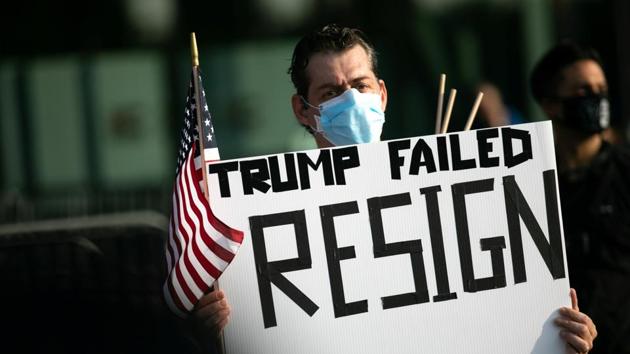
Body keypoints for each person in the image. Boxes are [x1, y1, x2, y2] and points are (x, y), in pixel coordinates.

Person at [192, 25, 598, 353]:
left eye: (360, 85)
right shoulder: (266, 214)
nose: (351, 100)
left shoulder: (446, 187)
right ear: (303, 109)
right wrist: (225, 330)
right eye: (331, 93)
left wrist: (557, 335)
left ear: (382, 94)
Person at [531, 41, 629, 354]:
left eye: (602, 89)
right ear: (551, 104)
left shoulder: (625, 174)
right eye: (584, 91)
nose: (598, 99)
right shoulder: (528, 186)